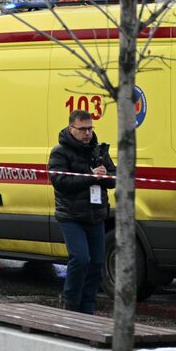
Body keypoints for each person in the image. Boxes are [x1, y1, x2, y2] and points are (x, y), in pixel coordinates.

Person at [48, 109, 116, 314]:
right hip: (71, 215)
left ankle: (88, 307)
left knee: (96, 263)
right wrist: (90, 176)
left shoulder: (99, 150)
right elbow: (60, 181)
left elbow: (114, 178)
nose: (87, 133)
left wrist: (105, 176)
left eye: (90, 128)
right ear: (71, 128)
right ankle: (70, 303)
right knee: (80, 259)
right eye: (83, 129)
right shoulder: (59, 152)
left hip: (95, 214)